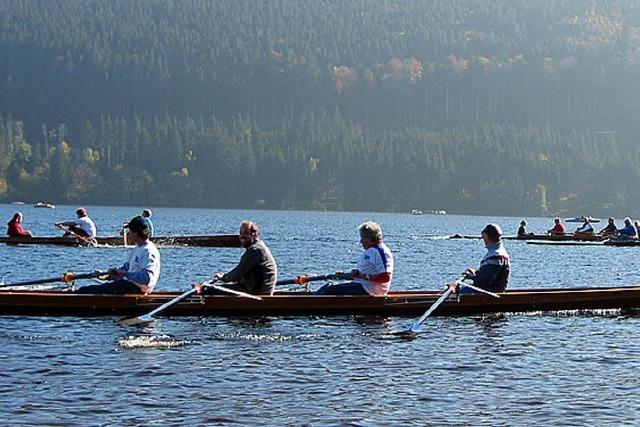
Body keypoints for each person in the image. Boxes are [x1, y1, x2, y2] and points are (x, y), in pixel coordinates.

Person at [75, 216, 160, 294]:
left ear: (136, 233)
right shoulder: (138, 247)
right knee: (86, 289)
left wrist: (123, 273)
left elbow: (146, 278)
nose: (128, 234)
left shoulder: (148, 251)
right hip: (129, 286)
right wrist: (108, 275)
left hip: (137, 290)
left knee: (85, 290)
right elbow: (127, 268)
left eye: (129, 231)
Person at [316, 221, 394, 296]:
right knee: (327, 287)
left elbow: (385, 277)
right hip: (362, 286)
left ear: (370, 238)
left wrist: (362, 276)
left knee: (329, 289)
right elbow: (364, 274)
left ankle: (310, 304)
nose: (360, 241)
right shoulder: (372, 251)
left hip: (370, 290)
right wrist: (345, 275)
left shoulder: (380, 251)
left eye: (362, 238)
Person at [208, 220, 277, 295]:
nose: (242, 236)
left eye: (246, 233)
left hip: (256, 293)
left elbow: (237, 274)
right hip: (257, 289)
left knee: (209, 290)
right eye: (240, 233)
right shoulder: (259, 247)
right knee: (219, 288)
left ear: (255, 235)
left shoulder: (255, 250)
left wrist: (223, 277)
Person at [451, 224, 510, 293]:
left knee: (454, 291)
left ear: (487, 236)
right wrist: (475, 272)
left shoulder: (496, 255)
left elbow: (485, 281)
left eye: (483, 235)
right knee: (453, 289)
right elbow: (488, 275)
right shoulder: (497, 252)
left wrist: (472, 276)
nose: (483, 238)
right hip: (489, 290)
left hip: (489, 293)